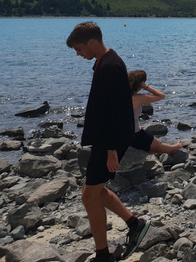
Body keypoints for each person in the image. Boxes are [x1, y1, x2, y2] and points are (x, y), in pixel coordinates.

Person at [66, 22, 151, 261]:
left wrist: (111, 151)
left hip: (109, 140)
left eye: (79, 49)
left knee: (88, 195)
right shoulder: (106, 62)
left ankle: (103, 255)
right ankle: (135, 224)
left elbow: (112, 113)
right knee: (95, 191)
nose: (78, 54)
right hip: (106, 139)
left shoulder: (110, 67)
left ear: (91, 42)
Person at [127, 70, 183, 155]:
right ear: (140, 84)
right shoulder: (136, 98)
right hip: (133, 135)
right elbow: (161, 96)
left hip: (123, 133)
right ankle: (174, 148)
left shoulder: (121, 95)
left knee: (152, 148)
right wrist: (146, 87)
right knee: (160, 145)